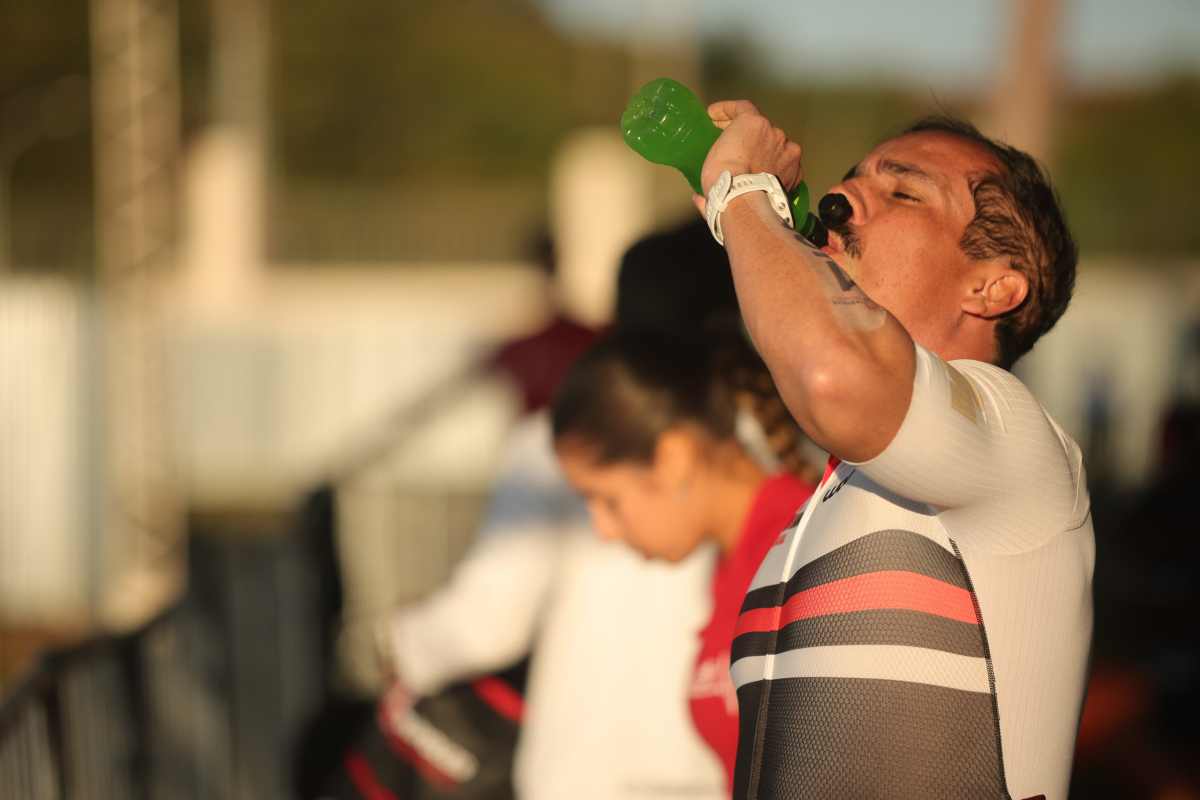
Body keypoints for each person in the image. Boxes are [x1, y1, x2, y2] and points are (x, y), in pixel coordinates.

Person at [689, 104, 1093, 800]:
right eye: (851, 180)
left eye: (903, 193)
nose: (841, 198)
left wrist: (742, 194)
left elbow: (832, 376)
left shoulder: (1015, 435)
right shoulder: (833, 496)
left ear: (992, 287)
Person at [376, 219, 745, 800]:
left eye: (608, 502)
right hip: (721, 772)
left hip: (587, 774)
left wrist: (397, 644)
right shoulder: (789, 449)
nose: (605, 526)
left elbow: (487, 621)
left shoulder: (557, 442)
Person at [552, 329, 816, 790]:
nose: (603, 530)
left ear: (673, 459)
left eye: (608, 499)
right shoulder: (735, 559)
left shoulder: (801, 551)